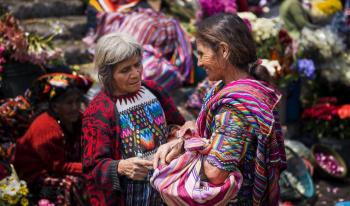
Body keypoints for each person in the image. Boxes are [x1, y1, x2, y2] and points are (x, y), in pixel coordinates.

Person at [153, 13, 287, 206]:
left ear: (223, 50)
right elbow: (208, 131)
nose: (198, 63)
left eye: (201, 54)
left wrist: (187, 144)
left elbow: (215, 173)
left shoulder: (235, 108)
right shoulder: (227, 87)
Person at [82, 32, 185, 206]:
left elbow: (181, 125)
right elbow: (92, 168)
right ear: (108, 74)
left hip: (166, 186)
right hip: (129, 196)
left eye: (137, 65)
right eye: (125, 70)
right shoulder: (99, 111)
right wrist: (120, 167)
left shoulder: (153, 90)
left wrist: (178, 137)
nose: (136, 74)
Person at [14, 73, 93, 205]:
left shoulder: (78, 119)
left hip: (63, 167)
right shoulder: (46, 127)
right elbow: (58, 166)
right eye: (69, 103)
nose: (75, 107)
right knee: (76, 184)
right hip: (37, 175)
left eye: (77, 101)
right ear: (55, 106)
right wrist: (91, 168)